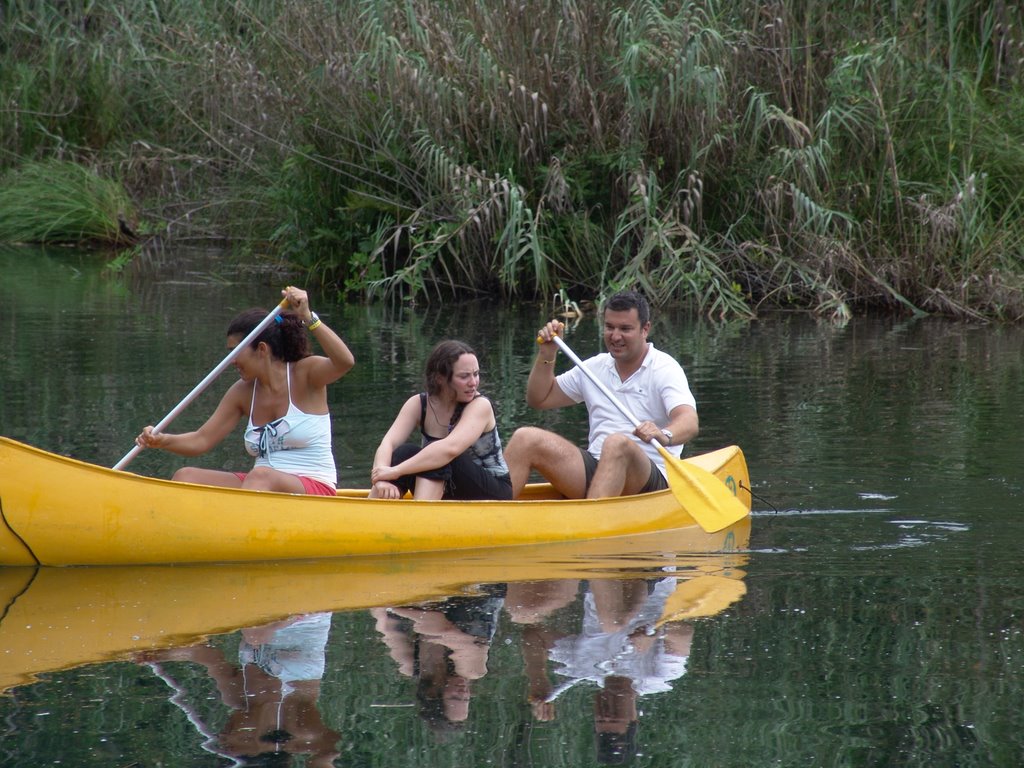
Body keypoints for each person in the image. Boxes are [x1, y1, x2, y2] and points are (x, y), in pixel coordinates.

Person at [135, 286, 355, 494]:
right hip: (259, 485)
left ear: (261, 349)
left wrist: (308, 317)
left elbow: (345, 362)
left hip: (313, 486)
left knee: (261, 476)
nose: (231, 362)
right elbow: (201, 440)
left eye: (234, 353)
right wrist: (162, 441)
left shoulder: (305, 373)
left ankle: (243, 530)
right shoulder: (242, 392)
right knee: (186, 476)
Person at [503, 290, 698, 499]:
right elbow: (539, 398)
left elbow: (689, 421)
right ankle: (487, 517)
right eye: (609, 327)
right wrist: (547, 353)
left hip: (649, 480)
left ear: (645, 329)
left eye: (625, 329)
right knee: (525, 438)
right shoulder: (594, 367)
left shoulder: (664, 368)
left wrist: (663, 434)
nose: (615, 336)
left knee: (617, 443)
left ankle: (590, 525)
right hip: (596, 469)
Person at [369, 340, 512, 500]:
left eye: (476, 374)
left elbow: (449, 449)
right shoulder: (418, 404)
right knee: (404, 452)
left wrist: (396, 471)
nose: (473, 383)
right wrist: (381, 477)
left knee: (437, 456)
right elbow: (388, 443)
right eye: (464, 376)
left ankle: (422, 516)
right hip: (445, 482)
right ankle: (373, 515)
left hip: (493, 490)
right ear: (439, 378)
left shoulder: (480, 406)